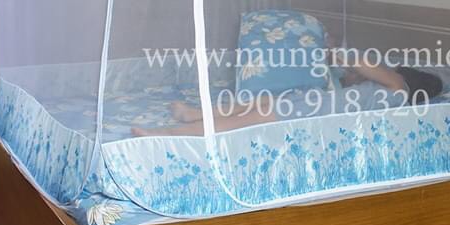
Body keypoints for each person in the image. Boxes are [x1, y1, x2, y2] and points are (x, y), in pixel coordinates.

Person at [132, 40, 407, 137]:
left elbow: (364, 65)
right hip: (316, 102)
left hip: (317, 111)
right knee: (261, 102)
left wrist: (334, 52)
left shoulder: (399, 89)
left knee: (244, 119)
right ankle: (195, 114)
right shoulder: (378, 93)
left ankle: (169, 133)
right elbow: (353, 79)